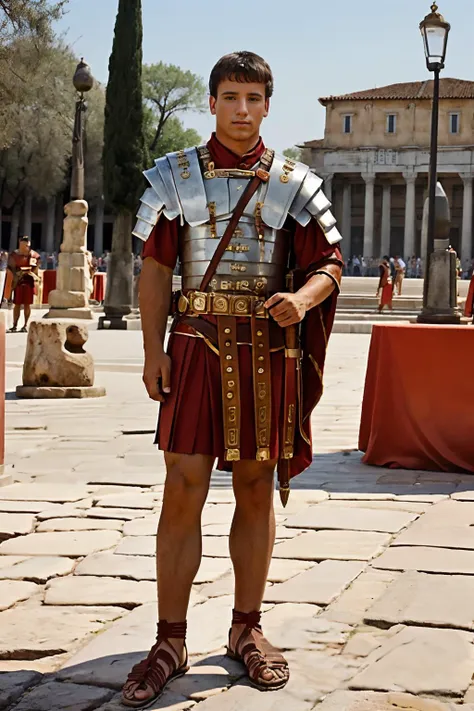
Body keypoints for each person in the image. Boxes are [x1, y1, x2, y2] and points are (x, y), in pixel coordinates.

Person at [122, 51, 343, 708]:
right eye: (230, 97)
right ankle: (169, 639)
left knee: (253, 485)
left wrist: (301, 300)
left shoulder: (294, 181)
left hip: (264, 353)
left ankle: (247, 626)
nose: (241, 109)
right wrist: (150, 350)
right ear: (212, 102)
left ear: (268, 104)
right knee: (182, 485)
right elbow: (157, 269)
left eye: (253, 97)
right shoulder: (174, 177)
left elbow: (329, 263)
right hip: (192, 345)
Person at [7, 236, 39, 333]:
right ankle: (14, 325)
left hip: (28, 281)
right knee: (16, 304)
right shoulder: (14, 255)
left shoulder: (33, 255)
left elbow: (35, 267)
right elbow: (10, 267)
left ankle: (25, 325)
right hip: (18, 281)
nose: (25, 247)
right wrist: (15, 274)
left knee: (27, 304)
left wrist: (30, 271)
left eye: (26, 245)